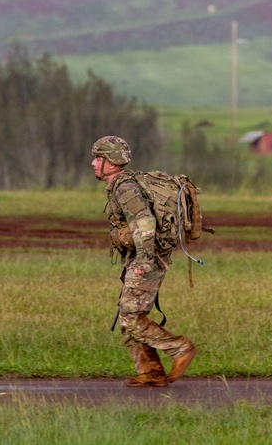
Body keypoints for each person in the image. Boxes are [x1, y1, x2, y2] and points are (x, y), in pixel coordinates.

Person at [90, 135, 197, 388]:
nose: (93, 163)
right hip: (142, 257)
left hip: (147, 259)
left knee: (130, 317)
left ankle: (179, 348)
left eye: (98, 158)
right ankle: (151, 372)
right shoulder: (120, 185)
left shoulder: (125, 189)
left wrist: (144, 260)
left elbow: (145, 221)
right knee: (130, 316)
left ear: (111, 162)